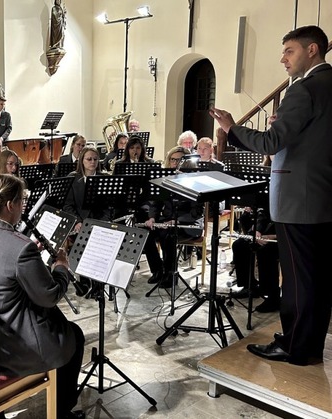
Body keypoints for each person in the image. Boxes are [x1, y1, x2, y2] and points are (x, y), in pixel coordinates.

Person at [210, 25, 332, 366]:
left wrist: (231, 128)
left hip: (298, 201)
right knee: (318, 279)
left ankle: (295, 347)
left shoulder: (303, 90)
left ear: (312, 50)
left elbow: (269, 144)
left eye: (289, 51)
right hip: (323, 196)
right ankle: (307, 343)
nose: (283, 59)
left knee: (296, 280)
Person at [0, 174, 85, 419]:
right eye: (22, 201)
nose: (24, 207)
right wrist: (61, 267)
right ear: (10, 205)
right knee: (73, 335)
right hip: (8, 350)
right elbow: (49, 296)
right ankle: (62, 412)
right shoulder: (22, 246)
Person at [140, 146, 202, 287]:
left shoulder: (195, 180)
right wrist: (152, 218)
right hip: (167, 221)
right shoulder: (165, 180)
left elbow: (196, 212)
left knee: (167, 234)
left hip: (188, 223)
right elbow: (155, 204)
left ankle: (171, 274)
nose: (176, 163)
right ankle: (157, 270)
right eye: (173, 160)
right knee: (145, 233)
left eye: (180, 160)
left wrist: (176, 220)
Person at [230, 207, 280, 312]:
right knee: (239, 245)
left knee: (266, 251)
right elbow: (263, 215)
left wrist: (274, 236)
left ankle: (272, 296)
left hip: (282, 236)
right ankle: (250, 286)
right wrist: (257, 230)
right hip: (266, 233)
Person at [63, 146, 112, 233]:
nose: (92, 162)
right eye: (89, 159)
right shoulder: (72, 177)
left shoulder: (105, 177)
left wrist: (103, 223)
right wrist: (77, 222)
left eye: (95, 159)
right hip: (79, 224)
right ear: (82, 161)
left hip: (100, 223)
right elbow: (67, 205)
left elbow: (108, 206)